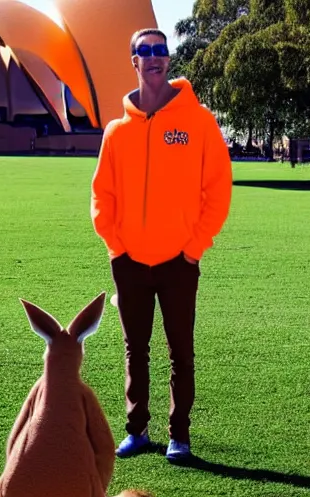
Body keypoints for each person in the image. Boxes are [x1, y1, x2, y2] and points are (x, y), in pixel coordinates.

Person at [91, 28, 232, 466]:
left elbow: (218, 188)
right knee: (136, 349)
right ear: (133, 61)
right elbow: (102, 195)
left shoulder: (199, 121)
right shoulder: (116, 132)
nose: (154, 58)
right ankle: (137, 431)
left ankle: (180, 437)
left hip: (178, 261)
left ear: (169, 60)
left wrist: (194, 248)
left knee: (180, 351)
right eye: (145, 51)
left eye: (161, 50)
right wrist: (117, 246)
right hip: (129, 262)